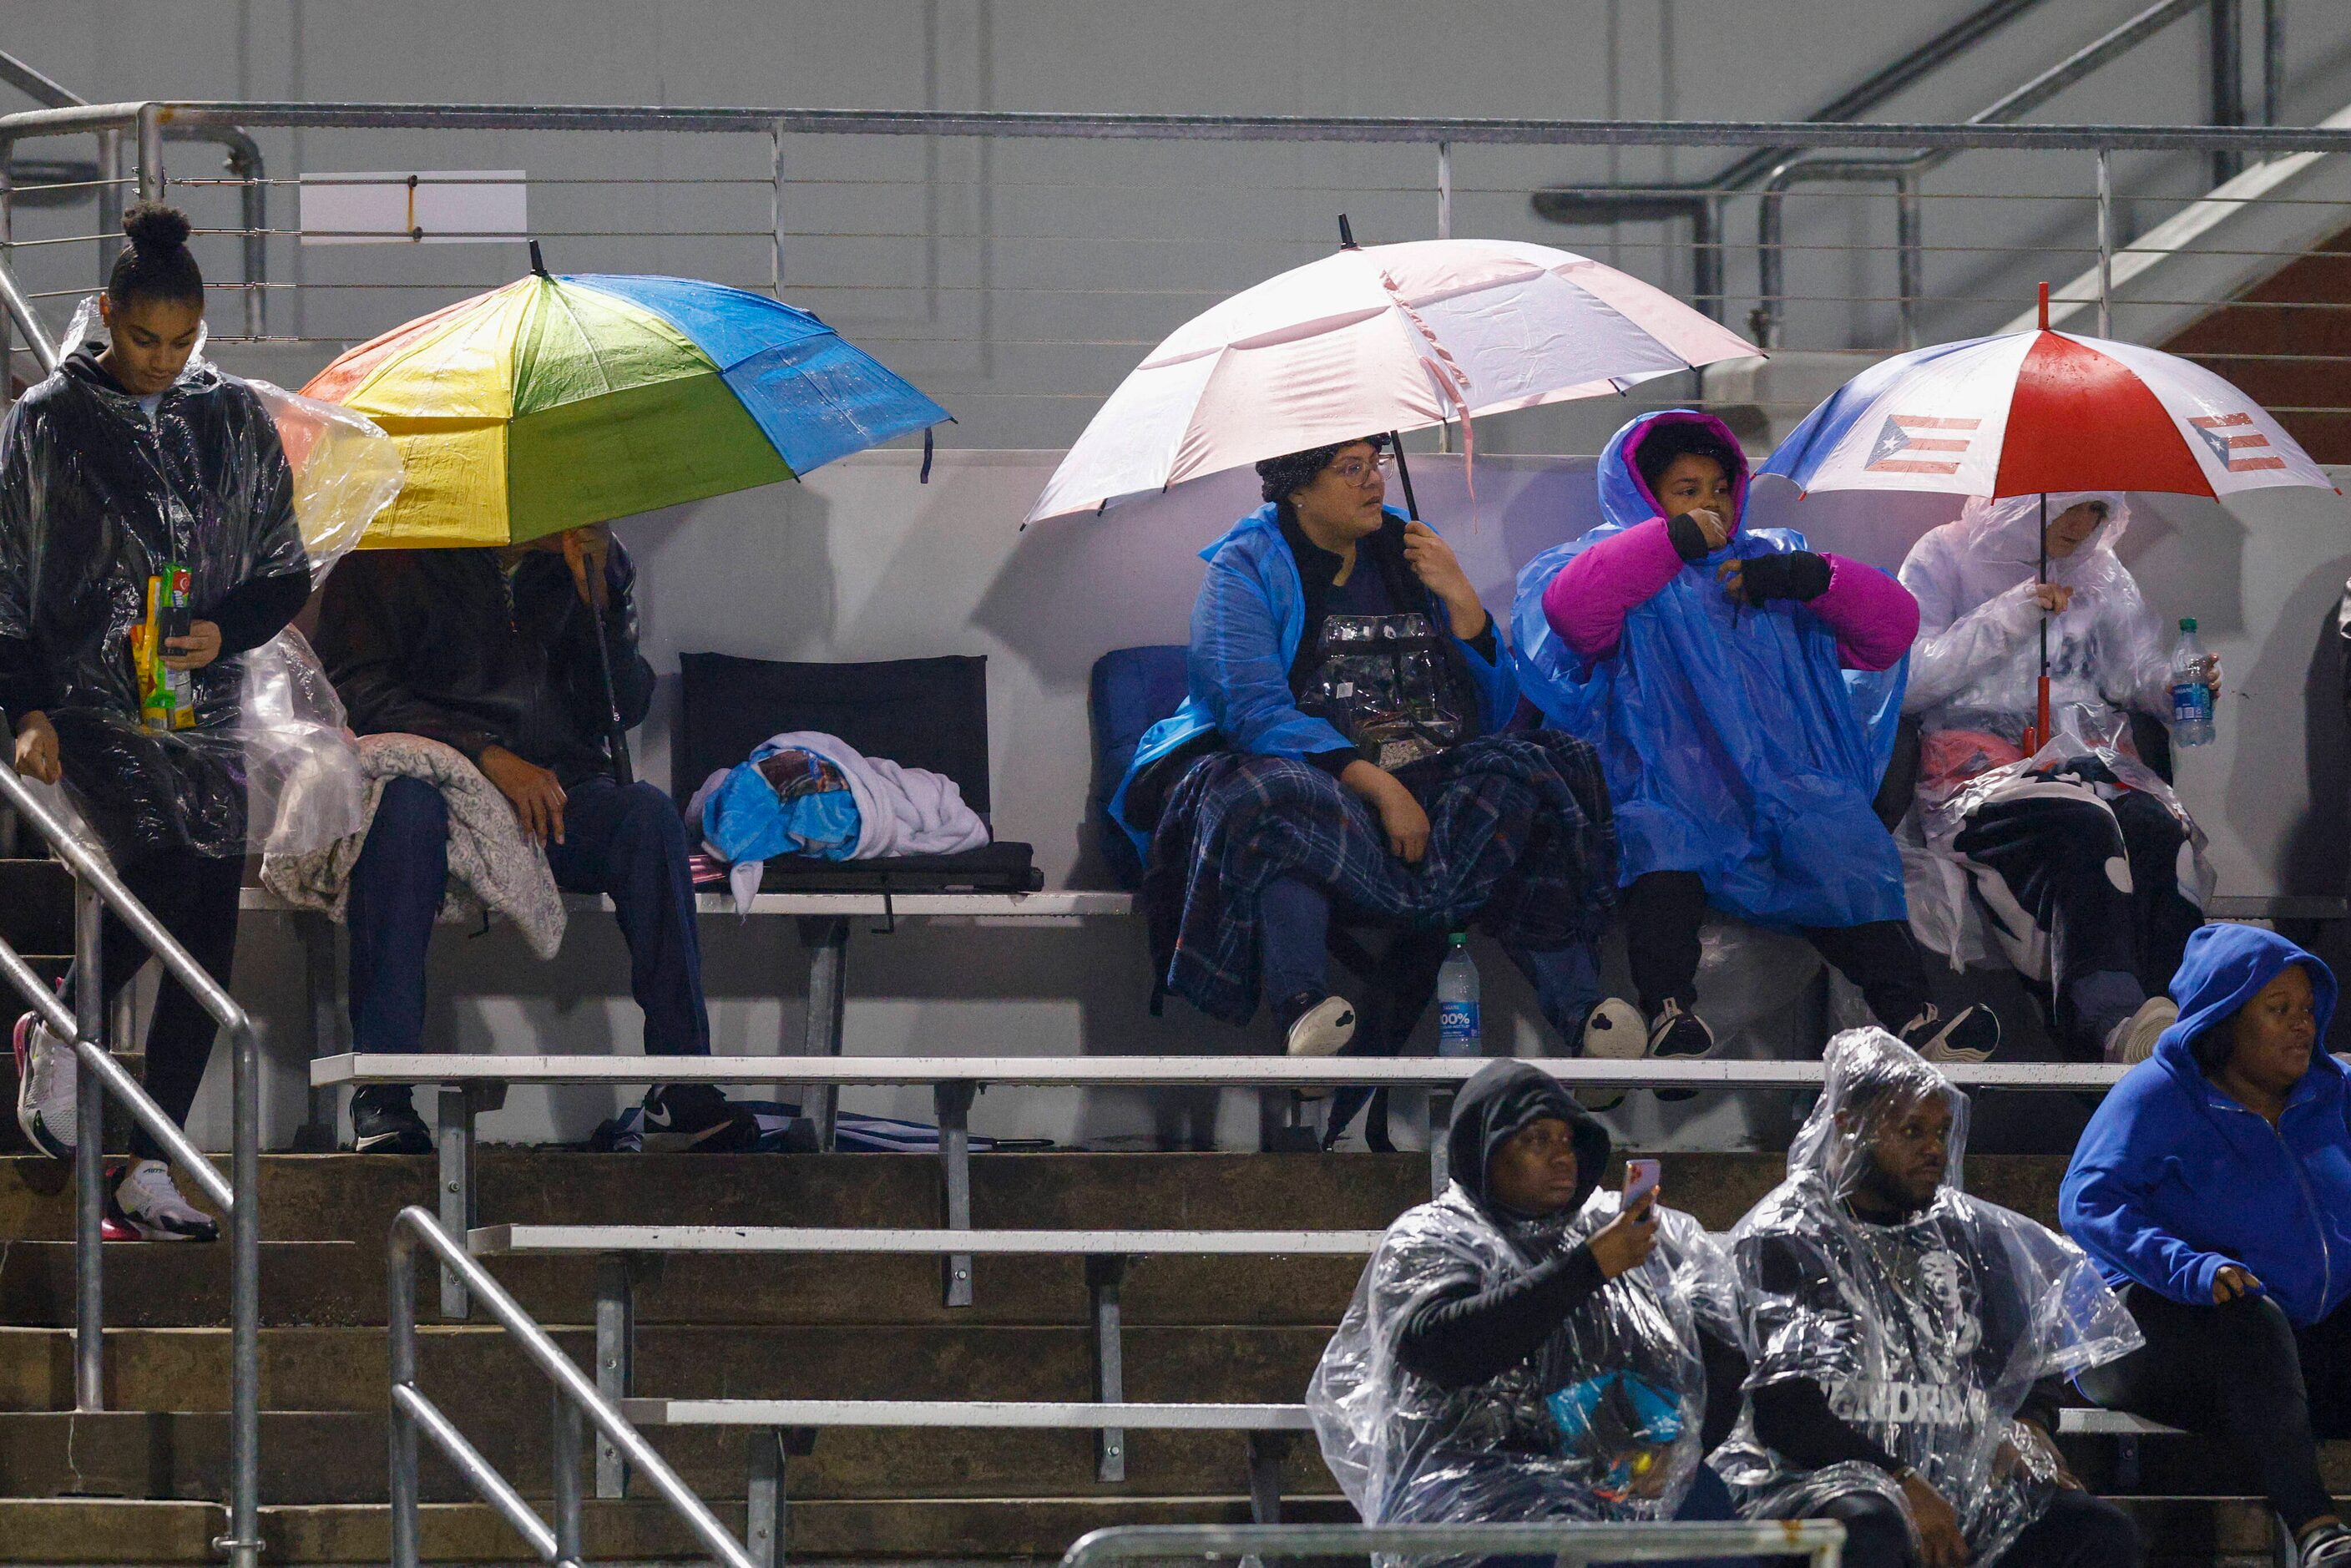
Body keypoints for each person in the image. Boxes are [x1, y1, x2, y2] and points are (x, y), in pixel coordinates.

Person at [1111, 438, 1622, 1107]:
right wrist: (1382, 790)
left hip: (1429, 777)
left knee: (1540, 767)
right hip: (1318, 778)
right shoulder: (1243, 568)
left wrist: (1464, 604)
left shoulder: (1414, 547)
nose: (1372, 482)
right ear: (1297, 487)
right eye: (1349, 469)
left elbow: (1494, 715)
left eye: (1375, 462)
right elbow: (1252, 711)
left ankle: (1583, 1018)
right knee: (1271, 795)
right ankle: (1303, 1012)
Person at [3, 205, 314, 1239]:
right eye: (144, 339)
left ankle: (153, 1163)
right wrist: (27, 706)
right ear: (104, 315)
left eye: (182, 342)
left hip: (195, 698)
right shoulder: (47, 420)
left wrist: (222, 633)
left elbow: (284, 570)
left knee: (209, 934)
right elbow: (7, 573)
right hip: (87, 696)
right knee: (162, 867)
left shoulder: (228, 417)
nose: (162, 360)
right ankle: (60, 1021)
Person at [1514, 410, 1999, 1070]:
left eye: (1718, 487)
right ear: (1646, 495)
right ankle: (1669, 1014)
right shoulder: (1592, 560)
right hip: (1659, 782)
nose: (1711, 504)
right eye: (1687, 491)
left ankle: (1916, 1018)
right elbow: (1573, 613)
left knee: (1840, 841)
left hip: (1782, 786)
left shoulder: (1774, 557)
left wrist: (1814, 580)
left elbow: (1891, 630)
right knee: (1663, 843)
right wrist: (1669, 543)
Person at [311, 524, 755, 1155]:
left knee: (648, 816)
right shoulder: (394, 554)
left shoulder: (588, 565)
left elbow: (620, 709)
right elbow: (356, 691)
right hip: (440, 778)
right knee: (400, 812)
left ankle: (683, 1088)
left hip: (558, 786)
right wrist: (485, 756)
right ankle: (383, 1092)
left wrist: (604, 604)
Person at [1714, 1026, 2142, 1568]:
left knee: (2097, 1532)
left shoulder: (1966, 1235)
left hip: (1956, 1481)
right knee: (1873, 1526)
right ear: (1850, 1128)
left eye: (1941, 1132)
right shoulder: (1786, 1236)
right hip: (1814, 1480)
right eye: (1912, 1131)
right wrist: (1902, 1481)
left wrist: (2024, 1427)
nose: (1934, 1150)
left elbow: (2026, 1361)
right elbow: (1785, 1412)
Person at [1307, 1058, 1751, 1541]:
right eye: (1537, 1140)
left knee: (1703, 1506)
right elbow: (1445, 1348)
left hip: (1605, 1472)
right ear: (1486, 1149)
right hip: (1470, 1486)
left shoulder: (1602, 1228)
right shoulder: (1433, 1237)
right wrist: (1591, 1266)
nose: (1563, 1157)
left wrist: (1676, 1452)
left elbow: (1718, 1347)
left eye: (1568, 1141)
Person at [2061, 925, 2351, 1565]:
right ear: (2225, 1019)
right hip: (2140, 1332)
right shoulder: (2160, 1094)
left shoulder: (2334, 1097)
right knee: (2250, 1321)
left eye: (2308, 1010)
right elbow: (2087, 1200)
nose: (2303, 1026)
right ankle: (2318, 1531)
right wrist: (2191, 1269)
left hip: (2286, 1338)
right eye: (2279, 1011)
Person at [1898, 493, 2212, 1065]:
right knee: (2080, 822)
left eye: (2095, 510)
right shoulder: (1942, 554)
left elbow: (2128, 671)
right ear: (2021, 500)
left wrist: (2168, 688)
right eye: (2066, 506)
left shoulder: (2101, 571)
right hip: (1978, 775)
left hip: (2089, 764)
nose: (2080, 526)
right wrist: (2013, 614)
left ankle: (2172, 1017)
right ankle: (2109, 1021)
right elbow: (1911, 679)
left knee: (2159, 826)